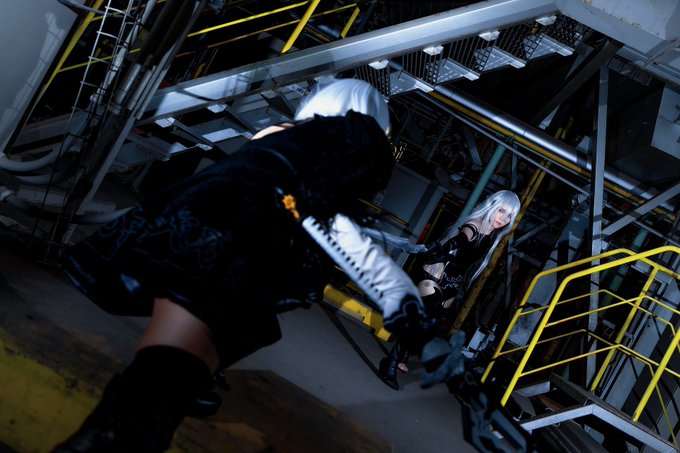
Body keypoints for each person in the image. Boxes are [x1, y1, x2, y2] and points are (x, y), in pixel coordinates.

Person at [52, 78, 436, 452]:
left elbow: (330, 228)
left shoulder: (300, 148)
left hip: (218, 256)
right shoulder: (302, 145)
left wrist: (400, 300)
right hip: (213, 258)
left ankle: (163, 400)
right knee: (158, 384)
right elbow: (327, 227)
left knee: (170, 377)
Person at [377, 190, 521, 390]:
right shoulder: (475, 224)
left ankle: (403, 354)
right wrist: (445, 246)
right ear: (492, 206)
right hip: (435, 276)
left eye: (509, 216)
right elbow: (463, 237)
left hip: (452, 283)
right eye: (501, 211)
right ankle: (390, 363)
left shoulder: (491, 236)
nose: (503, 218)